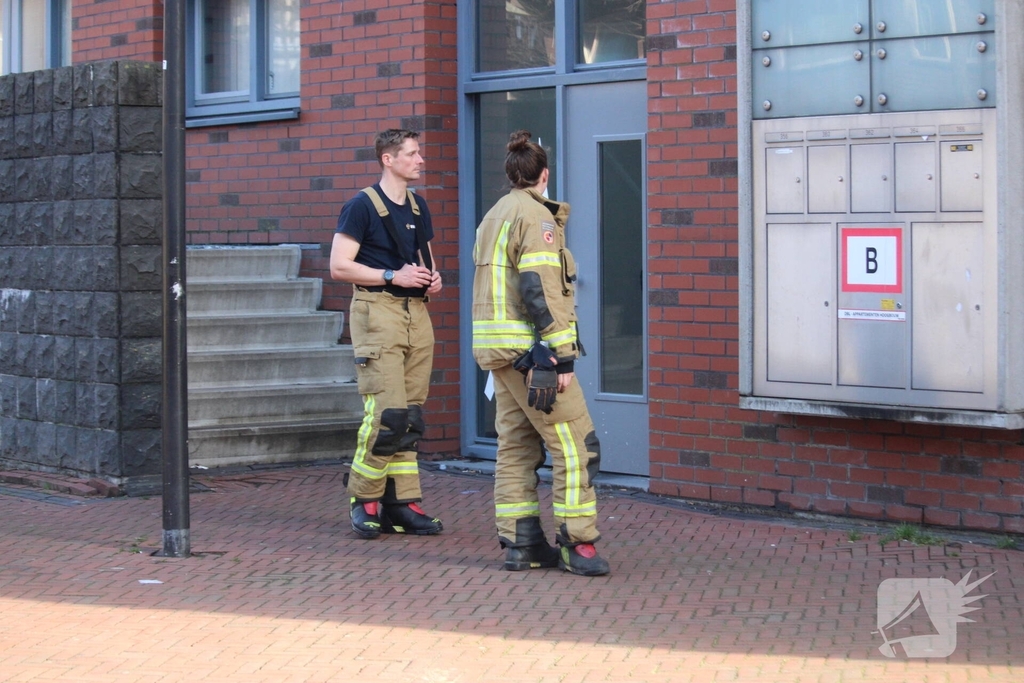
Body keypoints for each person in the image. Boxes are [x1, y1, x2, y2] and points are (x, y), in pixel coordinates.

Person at [471, 130, 610, 576]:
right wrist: (561, 354)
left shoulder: (495, 214)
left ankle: (522, 543)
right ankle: (577, 544)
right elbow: (541, 288)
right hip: (533, 354)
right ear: (544, 175)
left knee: (516, 445)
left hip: (501, 353)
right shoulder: (538, 219)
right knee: (576, 447)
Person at [330, 128, 444, 539]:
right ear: (388, 159)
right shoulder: (360, 206)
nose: (420, 160)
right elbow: (339, 266)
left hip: (416, 314)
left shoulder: (417, 206)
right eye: (412, 154)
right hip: (377, 313)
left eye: (419, 152)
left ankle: (403, 502)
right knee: (386, 415)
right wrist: (391, 274)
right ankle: (365, 500)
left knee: (410, 417)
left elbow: (424, 262)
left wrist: (433, 280)